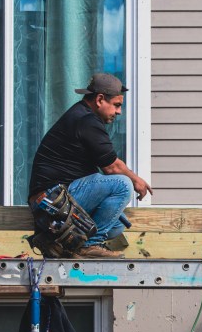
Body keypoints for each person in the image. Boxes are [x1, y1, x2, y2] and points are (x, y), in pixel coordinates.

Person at [28, 72, 152, 258]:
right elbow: (112, 168)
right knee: (123, 184)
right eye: (117, 105)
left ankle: (58, 243)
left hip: (53, 202)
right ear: (100, 99)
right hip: (51, 204)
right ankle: (88, 246)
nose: (119, 112)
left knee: (117, 224)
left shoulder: (81, 115)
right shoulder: (86, 121)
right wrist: (137, 180)